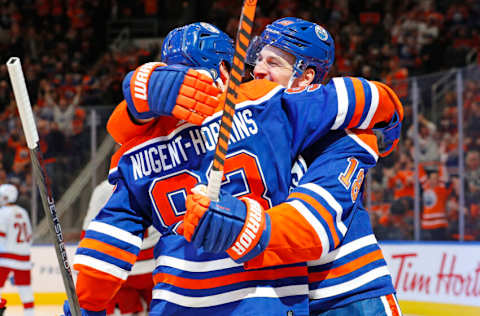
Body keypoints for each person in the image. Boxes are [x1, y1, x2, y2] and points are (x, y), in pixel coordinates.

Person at [67, 20, 402, 316]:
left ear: (308, 75)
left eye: (273, 62)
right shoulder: (261, 105)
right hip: (267, 298)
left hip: (348, 296)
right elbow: (361, 96)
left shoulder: (341, 135)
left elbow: (315, 225)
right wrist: (138, 99)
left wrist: (247, 225)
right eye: (256, 63)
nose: (256, 71)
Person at [0, 184, 34, 316]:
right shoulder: (23, 211)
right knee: (26, 290)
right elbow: (30, 236)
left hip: (6, 257)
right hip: (23, 257)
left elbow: (1, 237)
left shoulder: (3, 213)